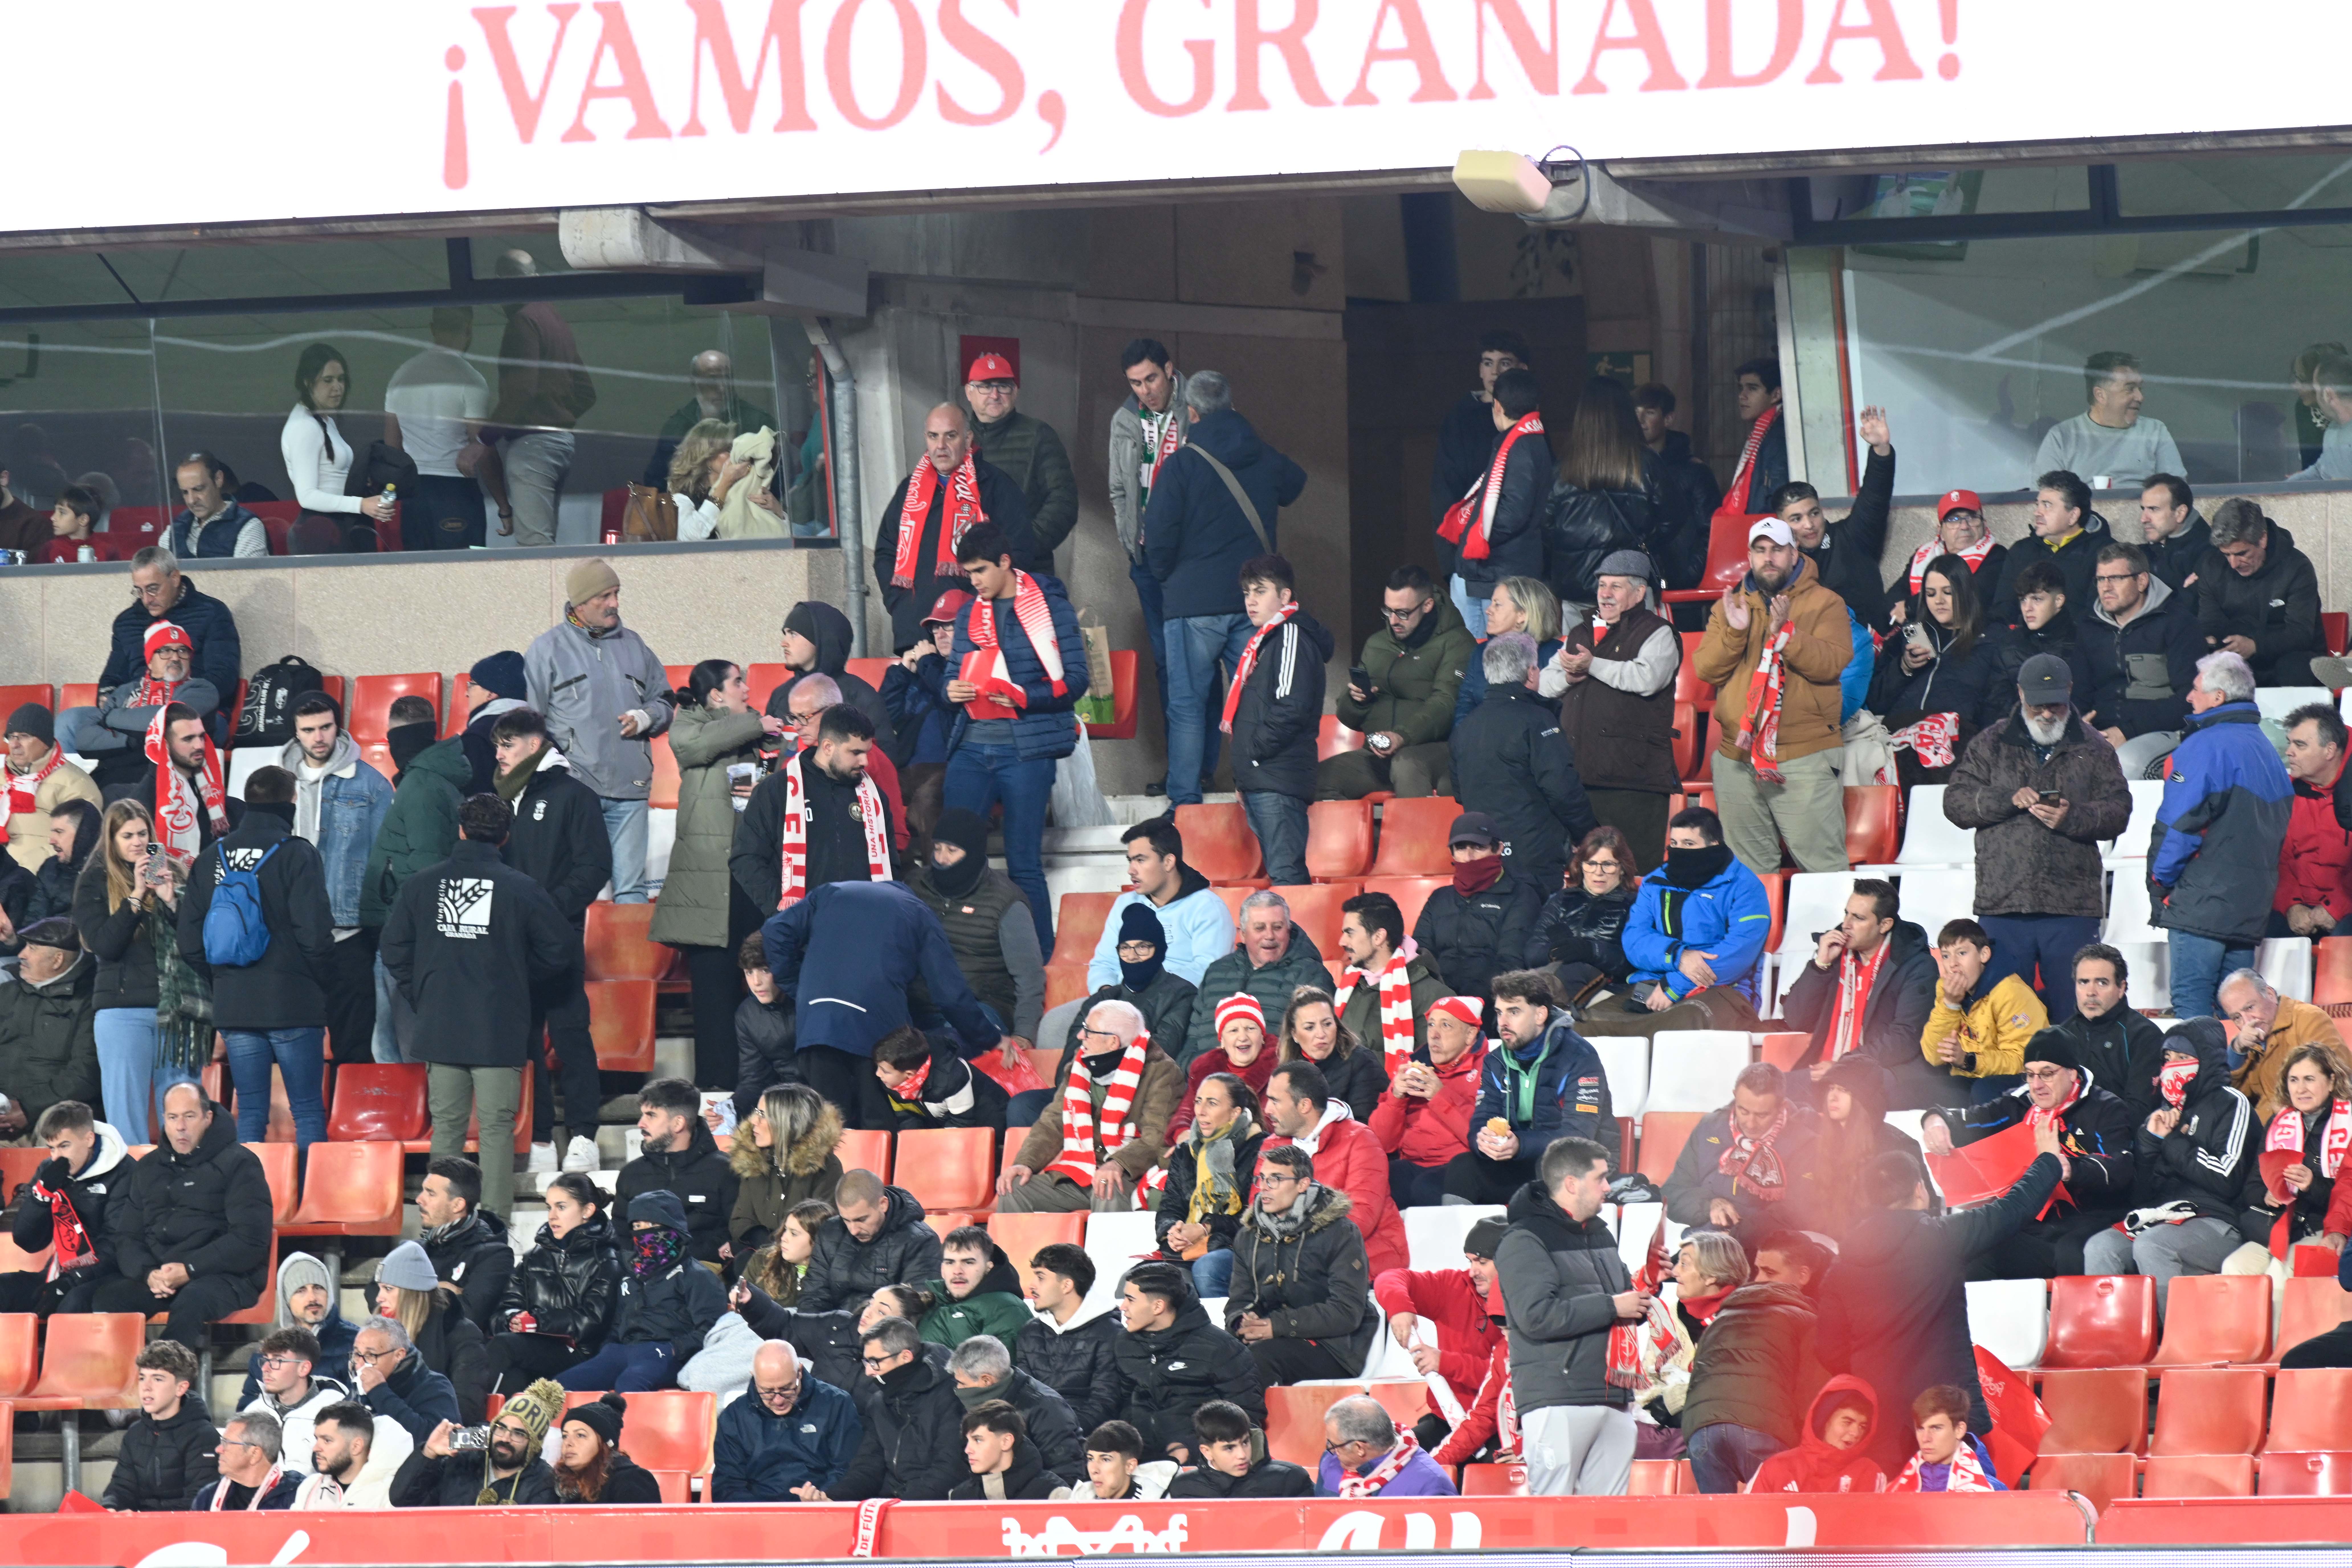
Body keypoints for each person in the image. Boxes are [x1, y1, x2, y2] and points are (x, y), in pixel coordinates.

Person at [1811, 1140, 2063, 1475]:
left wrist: (1871, 1370)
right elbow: (2012, 1210)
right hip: (1946, 1413)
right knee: (1961, 1514)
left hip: (1880, 1419)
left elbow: (1828, 1348)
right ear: (1920, 1190)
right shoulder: (1940, 1236)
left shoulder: (1841, 1265)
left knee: (1893, 1517)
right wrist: (2049, 1160)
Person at [381, 792, 577, 1218]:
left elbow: (394, 950)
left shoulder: (422, 884)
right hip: (499, 1027)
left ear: (461, 830)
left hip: (441, 1025)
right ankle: (493, 1230)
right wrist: (520, 984)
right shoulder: (522, 889)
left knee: (447, 1133)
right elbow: (560, 949)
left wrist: (424, 994)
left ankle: (438, 1231)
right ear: (506, 836)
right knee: (496, 1134)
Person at [1145, 370, 1308, 805]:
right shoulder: (1262, 455)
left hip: (1192, 603)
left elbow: (1157, 536)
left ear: (1192, 413)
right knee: (1254, 705)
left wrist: (1168, 579)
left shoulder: (1181, 465)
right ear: (1232, 406)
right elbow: (1296, 483)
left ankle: (1185, 804)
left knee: (1187, 708)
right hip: (1252, 602)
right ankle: (1257, 792)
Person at [1943, 654, 2131, 1023]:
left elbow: (2119, 811)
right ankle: (2010, 1082)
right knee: (2003, 1016)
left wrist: (2072, 817)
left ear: (2071, 692)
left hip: (2071, 907)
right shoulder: (1990, 744)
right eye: (2038, 705)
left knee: (2074, 1016)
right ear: (2020, 694)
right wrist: (2006, 799)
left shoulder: (2095, 748)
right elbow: (1956, 803)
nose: (2047, 714)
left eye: (2055, 705)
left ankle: (2079, 1080)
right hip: (2004, 903)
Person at [764, 880, 1000, 1128]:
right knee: (880, 1126)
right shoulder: (917, 911)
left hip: (819, 1024)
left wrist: (798, 988)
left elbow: (773, 931)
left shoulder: (829, 892)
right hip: (877, 1032)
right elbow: (949, 994)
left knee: (829, 1130)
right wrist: (988, 1038)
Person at [650, 662, 783, 1087]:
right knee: (712, 1006)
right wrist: (753, 724)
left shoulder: (749, 740)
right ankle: (716, 1098)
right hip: (705, 892)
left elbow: (749, 808)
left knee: (762, 997)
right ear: (716, 696)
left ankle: (759, 1090)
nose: (747, 688)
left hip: (743, 885)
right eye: (737, 682)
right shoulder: (688, 725)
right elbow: (695, 748)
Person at [1695, 518, 1851, 878]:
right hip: (1737, 755)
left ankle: (1838, 936)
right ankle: (1764, 936)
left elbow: (1832, 663)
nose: (1769, 558)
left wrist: (1787, 637)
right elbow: (1706, 671)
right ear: (1749, 556)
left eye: (1778, 550)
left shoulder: (1826, 602)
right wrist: (1735, 634)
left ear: (1794, 553)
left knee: (1823, 868)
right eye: (1761, 550)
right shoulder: (1730, 606)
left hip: (1802, 754)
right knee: (1750, 874)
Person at [490, 707, 611, 1160]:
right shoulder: (498, 798)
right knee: (524, 1042)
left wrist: (548, 912)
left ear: (535, 745)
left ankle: (583, 1136)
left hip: (557, 937)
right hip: (509, 943)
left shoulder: (574, 795)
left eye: (509, 744)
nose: (500, 754)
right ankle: (540, 1136)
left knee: (569, 1033)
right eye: (498, 745)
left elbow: (594, 866)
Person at [1491, 1136, 1642, 1495]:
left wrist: (1652, 1283)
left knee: (1608, 1528)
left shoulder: (1601, 1233)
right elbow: (1537, 1315)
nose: (1609, 1187)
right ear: (1572, 1183)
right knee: (1553, 1520)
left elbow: (1623, 1301)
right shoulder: (1524, 1238)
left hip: (1613, 1396)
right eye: (1601, 1178)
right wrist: (1613, 1306)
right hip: (1558, 1398)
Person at [1920, 1031, 2136, 1279]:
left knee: (2070, 1252)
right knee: (1974, 1254)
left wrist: (2069, 1169)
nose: (2036, 1085)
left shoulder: (2106, 1108)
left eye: (2047, 1074)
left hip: (2092, 1216)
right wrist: (1935, 1121)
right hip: (2033, 1220)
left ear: (2072, 1073)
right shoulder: (2019, 1103)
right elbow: (1968, 1120)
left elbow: (2121, 1169)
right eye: (2031, 1074)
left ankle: (2066, 1316)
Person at [524, 558, 673, 905]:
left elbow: (665, 700)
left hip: (631, 788)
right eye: (604, 596)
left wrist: (648, 717)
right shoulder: (547, 650)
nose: (615, 603)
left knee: (632, 892)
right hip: (576, 791)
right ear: (580, 604)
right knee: (576, 890)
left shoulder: (636, 645)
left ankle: (629, 961)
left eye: (617, 593)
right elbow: (533, 723)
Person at [2081, 1019, 2255, 1314]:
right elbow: (2138, 1196)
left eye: (2183, 1058)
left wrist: (2172, 1142)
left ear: (2206, 1059)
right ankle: (2111, 1342)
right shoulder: (2158, 1112)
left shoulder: (2232, 1103)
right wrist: (2149, 1145)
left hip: (2217, 1220)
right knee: (2100, 1247)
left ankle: (2174, 1341)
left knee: (2154, 1245)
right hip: (2158, 1216)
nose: (2172, 1066)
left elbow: (2227, 1178)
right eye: (2167, 1058)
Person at [2153, 652, 2292, 1018]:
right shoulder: (2269, 751)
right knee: (2241, 1016)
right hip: (2249, 907)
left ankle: (2200, 1079)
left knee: (2192, 1010)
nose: (2189, 696)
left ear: (2218, 697)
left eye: (2196, 688)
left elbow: (2179, 825)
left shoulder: (2204, 747)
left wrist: (2159, 880)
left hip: (2204, 904)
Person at [93, 1083, 268, 1346]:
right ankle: (127, 1377)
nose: (180, 1127)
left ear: (208, 1118)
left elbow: (250, 1239)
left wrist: (190, 1269)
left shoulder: (240, 1163)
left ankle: (167, 1376)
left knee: (192, 1302)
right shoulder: (148, 1168)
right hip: (161, 1276)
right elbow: (128, 1236)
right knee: (107, 1298)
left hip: (222, 1276)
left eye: (189, 1116)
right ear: (164, 1120)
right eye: (173, 1118)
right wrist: (147, 1273)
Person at [273, 694, 392, 1066]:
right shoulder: (275, 783)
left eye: (325, 727)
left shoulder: (372, 785)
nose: (318, 737)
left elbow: (383, 863)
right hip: (291, 932)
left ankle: (349, 1119)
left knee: (353, 1044)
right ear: (296, 734)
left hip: (349, 931)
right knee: (291, 1045)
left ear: (338, 727)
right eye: (308, 730)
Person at [1581, 806, 1770, 1037]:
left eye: (1689, 844)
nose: (1679, 851)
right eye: (1674, 843)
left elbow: (1739, 953)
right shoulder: (1655, 882)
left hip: (1725, 990)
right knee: (1589, 1023)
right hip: (1651, 984)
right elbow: (1634, 940)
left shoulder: (1746, 887)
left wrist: (1675, 985)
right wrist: (1679, 957)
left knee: (1680, 1025)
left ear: (1714, 846)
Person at [1549, 553, 1680, 865]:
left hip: (1633, 782)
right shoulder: (1581, 632)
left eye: (1616, 586)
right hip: (1579, 776)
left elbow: (1647, 678)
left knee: (1632, 873)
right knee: (1585, 876)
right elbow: (1544, 683)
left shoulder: (1658, 632)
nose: (1605, 593)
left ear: (1639, 593)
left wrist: (1592, 665)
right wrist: (1569, 676)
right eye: (1602, 585)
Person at [876, 400, 1035, 654]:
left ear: (968, 438)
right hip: (915, 635)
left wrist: (979, 604)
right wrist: (899, 602)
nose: (941, 446)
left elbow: (1019, 553)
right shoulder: (909, 491)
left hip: (973, 635)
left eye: (951, 436)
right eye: (933, 436)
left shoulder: (995, 486)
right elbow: (886, 552)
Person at [1000, 998, 1181, 1215]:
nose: (1080, 1037)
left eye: (1088, 1031)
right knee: (1013, 1189)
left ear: (1113, 1042)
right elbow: (1053, 1123)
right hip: (1080, 1173)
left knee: (1107, 1189)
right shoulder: (1079, 1067)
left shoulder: (1162, 1072)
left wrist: (1118, 1164)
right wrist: (1026, 1164)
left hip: (1130, 1175)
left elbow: (1157, 1137)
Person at [1452, 639, 1599, 900]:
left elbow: (1460, 792)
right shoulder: (1538, 719)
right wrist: (1588, 836)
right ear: (1532, 672)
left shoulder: (1465, 728)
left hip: (1485, 856)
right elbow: (1563, 789)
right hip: (1536, 856)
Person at [1319, 565, 1475, 803]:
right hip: (1377, 754)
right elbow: (1349, 719)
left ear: (1428, 606)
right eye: (1388, 611)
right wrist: (1356, 701)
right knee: (1315, 779)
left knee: (1407, 766)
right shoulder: (1377, 644)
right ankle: (1374, 840)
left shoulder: (1457, 642)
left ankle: (1418, 841)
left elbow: (1446, 703)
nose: (1393, 621)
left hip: (1434, 750)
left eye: (1403, 613)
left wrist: (1402, 737)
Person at [1109, 339, 1191, 779]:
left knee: (1195, 663)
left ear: (1170, 370)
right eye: (1136, 383)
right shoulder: (1125, 419)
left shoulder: (1193, 409)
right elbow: (1118, 489)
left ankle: (1200, 767)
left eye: (1152, 379)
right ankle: (1181, 768)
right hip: (1147, 561)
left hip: (1189, 561)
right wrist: (1130, 544)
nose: (1146, 391)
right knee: (1165, 665)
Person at [1223, 1143, 1373, 1384]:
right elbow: (1239, 1300)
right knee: (1212, 1354)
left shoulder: (1340, 1232)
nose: (1264, 1188)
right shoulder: (1249, 1235)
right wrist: (1243, 1322)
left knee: (1258, 1359)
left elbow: (1347, 1312)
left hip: (1333, 1347)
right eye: (1261, 1179)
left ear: (1303, 1184)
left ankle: (1247, 1423)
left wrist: (1277, 1326)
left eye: (1275, 1180)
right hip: (1269, 1338)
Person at [1225, 554, 1330, 884]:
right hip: (1263, 778)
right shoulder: (1267, 640)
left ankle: (1299, 937)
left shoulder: (1290, 636)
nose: (1251, 601)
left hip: (1277, 778)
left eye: (1260, 591)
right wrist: (1246, 773)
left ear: (1285, 596)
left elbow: (1290, 708)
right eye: (1246, 593)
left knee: (1287, 878)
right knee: (1281, 876)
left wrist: (1253, 755)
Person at [555, 1190, 726, 1392]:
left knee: (630, 1384)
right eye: (637, 1226)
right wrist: (609, 1347)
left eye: (652, 1225)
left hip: (668, 1355)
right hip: (620, 1352)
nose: (643, 1233)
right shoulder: (629, 1275)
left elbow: (713, 1331)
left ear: (673, 1229)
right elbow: (618, 1323)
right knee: (559, 1387)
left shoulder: (697, 1276)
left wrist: (674, 1349)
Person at [1782, 880, 1937, 1096]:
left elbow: (1904, 1038)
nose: (1846, 924)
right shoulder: (1835, 955)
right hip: (1822, 1071)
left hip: (1873, 1077)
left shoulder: (1916, 967)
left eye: (1859, 918)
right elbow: (1797, 1019)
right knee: (1759, 1094)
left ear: (1885, 925)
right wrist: (1821, 966)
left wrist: (1845, 1065)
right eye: (1847, 913)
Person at [1260, 1059, 1409, 1276]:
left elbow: (1361, 1219)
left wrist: (1301, 1248)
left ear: (1304, 1106)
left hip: (1362, 1258)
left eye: (1275, 1101)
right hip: (1293, 1260)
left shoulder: (1360, 1140)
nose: (1267, 1109)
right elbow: (1260, 1209)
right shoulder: (1272, 1145)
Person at [484, 259, 597, 545]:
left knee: (534, 548)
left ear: (503, 282)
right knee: (544, 543)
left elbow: (520, 391)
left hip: (533, 446)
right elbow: (586, 392)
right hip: (561, 443)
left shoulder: (524, 320)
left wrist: (483, 440)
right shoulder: (554, 319)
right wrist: (558, 415)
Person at [910, 810, 1043, 1054]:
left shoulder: (1005, 901)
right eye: (937, 848)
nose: (941, 858)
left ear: (971, 852)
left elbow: (1030, 975)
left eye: (952, 851)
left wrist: (1024, 1033)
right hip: (920, 1003)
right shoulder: (917, 885)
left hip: (981, 1006)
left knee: (948, 1046)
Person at [85, 547, 240, 752]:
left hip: (198, 714)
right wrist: (109, 700)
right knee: (72, 721)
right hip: (135, 711)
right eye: (139, 591)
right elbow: (112, 678)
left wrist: (178, 701)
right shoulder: (127, 622)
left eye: (153, 589)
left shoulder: (211, 613)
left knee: (166, 730)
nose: (147, 599)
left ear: (175, 578)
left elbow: (224, 676)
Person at [1114, 1261, 1267, 1463]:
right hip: (1139, 1459)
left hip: (1202, 1463)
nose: (1123, 1307)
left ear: (1158, 1306)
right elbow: (1121, 1405)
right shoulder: (1125, 1344)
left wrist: (1192, 1449)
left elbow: (1246, 1418)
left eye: (1130, 1300)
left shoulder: (1220, 1348)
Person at [1432, 331, 1534, 632]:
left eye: (1505, 363)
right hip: (1467, 557)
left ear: (1522, 370)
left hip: (1512, 562)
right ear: (1480, 369)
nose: (1495, 371)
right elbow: (1444, 493)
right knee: (1472, 650)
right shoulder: (1459, 419)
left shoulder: (1530, 426)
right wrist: (1451, 562)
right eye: (1488, 363)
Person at [1440, 366, 1553, 632]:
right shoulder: (1530, 441)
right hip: (1502, 569)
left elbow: (1513, 513)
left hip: (1498, 571)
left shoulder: (1521, 445)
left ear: (1498, 406)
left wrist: (1473, 536)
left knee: (1487, 656)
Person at [1539, 376, 1662, 618]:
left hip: (1576, 588)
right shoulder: (1646, 463)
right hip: (1630, 585)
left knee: (1579, 654)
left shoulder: (1563, 470)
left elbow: (1547, 526)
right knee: (1636, 654)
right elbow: (1672, 519)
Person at [2080, 541, 2203, 781]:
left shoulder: (2178, 624)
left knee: (2127, 764)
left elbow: (2190, 699)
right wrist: (2078, 722)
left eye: (2115, 578)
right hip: (2100, 732)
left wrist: (2126, 731)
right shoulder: (2089, 626)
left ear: (2142, 581)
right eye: (2101, 579)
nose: (2106, 588)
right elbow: (2080, 690)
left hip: (2164, 731)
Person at [489, 1171, 624, 1390]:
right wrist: (511, 1319)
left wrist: (539, 1322)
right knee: (514, 1375)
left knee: (505, 1347)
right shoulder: (535, 1256)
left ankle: (464, 1417)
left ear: (588, 1211)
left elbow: (592, 1320)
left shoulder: (606, 1260)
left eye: (561, 1207)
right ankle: (492, 1424)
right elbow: (506, 1306)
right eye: (549, 1207)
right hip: (533, 1347)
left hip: (581, 1354)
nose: (552, 1216)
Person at [1871, 555, 1997, 787]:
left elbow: (1995, 707)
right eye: (1930, 594)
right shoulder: (1914, 632)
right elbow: (1876, 701)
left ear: (1965, 591)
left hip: (1954, 741)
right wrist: (1904, 668)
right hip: (1900, 734)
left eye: (1947, 592)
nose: (1939, 601)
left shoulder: (1991, 639)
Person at [1662, 1062, 1817, 1248]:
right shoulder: (1709, 1128)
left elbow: (1799, 1213)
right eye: (1744, 1111)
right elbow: (1672, 1193)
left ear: (1781, 1106)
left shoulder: (1806, 1143)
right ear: (1735, 1097)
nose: (1751, 1124)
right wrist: (1710, 1205)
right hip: (1705, 1243)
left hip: (1765, 1249)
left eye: (1762, 1115)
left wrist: (1737, 1232)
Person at [1765, 408, 1896, 623]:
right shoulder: (1779, 563)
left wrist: (1881, 449)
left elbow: (1876, 497)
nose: (1810, 525)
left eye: (1814, 513)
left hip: (1871, 645)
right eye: (1797, 519)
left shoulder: (1852, 537)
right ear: (1781, 524)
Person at [822, 1316, 973, 1500]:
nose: (869, 1372)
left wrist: (903, 1509)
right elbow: (867, 1468)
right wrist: (833, 1499)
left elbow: (950, 1469)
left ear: (905, 1357)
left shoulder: (950, 1395)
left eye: (875, 1362)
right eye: (866, 1362)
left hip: (933, 1507)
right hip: (892, 1505)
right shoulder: (879, 1403)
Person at [1373, 1216, 1504, 1427]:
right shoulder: (1453, 1286)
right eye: (1470, 1261)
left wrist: (1445, 1362)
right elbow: (1390, 1278)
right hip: (1446, 1420)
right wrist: (1399, 1309)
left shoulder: (1528, 1303)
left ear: (1508, 1261)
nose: (1473, 1272)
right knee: (1393, 1457)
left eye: (1482, 1262)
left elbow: (1509, 1378)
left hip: (1502, 1424)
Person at [0, 1100, 128, 1315]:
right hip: (60, 1271)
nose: (57, 1157)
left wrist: (74, 1280)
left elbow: (118, 1244)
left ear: (89, 1139)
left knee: (72, 1302)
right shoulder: (49, 1170)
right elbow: (26, 1241)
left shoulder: (123, 1171)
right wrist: (42, 1195)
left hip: (106, 1276)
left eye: (64, 1146)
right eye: (52, 1148)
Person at [383, 306, 493, 550]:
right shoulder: (471, 379)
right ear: (469, 329)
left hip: (414, 494)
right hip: (456, 490)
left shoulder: (401, 376)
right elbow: (482, 448)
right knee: (465, 573)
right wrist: (504, 505)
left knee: (418, 572)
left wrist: (393, 494)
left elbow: (392, 447)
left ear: (432, 329)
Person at [1084, 817, 1235, 993]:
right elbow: (1104, 963)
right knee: (1057, 1020)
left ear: (1169, 862)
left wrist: (1148, 995)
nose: (1131, 870)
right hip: (1122, 1000)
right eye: (1130, 861)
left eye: (1140, 860)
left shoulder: (1207, 907)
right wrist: (1106, 992)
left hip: (1179, 1006)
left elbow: (1208, 971)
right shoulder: (1124, 904)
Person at [62, 619, 221, 777]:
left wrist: (110, 717)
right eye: (165, 651)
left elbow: (165, 717)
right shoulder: (125, 693)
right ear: (150, 661)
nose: (175, 658)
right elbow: (85, 741)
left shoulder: (202, 690)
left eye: (182, 651)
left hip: (172, 777)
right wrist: (134, 741)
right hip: (113, 774)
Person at [1156, 1070, 1265, 1299]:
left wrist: (1206, 1227)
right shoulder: (1186, 1151)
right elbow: (1170, 1207)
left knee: (1195, 1279)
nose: (1201, 1111)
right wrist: (1173, 1231)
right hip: (1185, 1249)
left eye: (1212, 1103)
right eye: (1198, 1101)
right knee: (1136, 1282)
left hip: (1234, 1247)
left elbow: (1256, 1217)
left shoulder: (1261, 1149)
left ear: (1235, 1113)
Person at [962, 351, 1077, 566]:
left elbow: (1064, 502)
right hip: (968, 571)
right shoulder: (958, 439)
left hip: (1026, 571)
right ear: (969, 392)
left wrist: (1021, 547)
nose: (995, 395)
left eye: (1003, 386)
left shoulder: (1039, 435)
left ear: (1015, 392)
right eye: (985, 386)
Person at [711, 1339, 862, 1501]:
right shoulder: (734, 1416)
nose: (778, 1400)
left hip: (821, 1508)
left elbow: (846, 1469)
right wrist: (761, 1515)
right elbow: (728, 1484)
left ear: (800, 1372)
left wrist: (825, 1497)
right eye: (767, 1391)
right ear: (754, 1378)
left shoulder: (836, 1403)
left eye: (787, 1389)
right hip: (757, 1515)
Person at [1372, 996, 1486, 1208]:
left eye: (1446, 1026)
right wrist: (1396, 1096)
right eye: (1431, 1024)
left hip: (1461, 1171)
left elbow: (1482, 1139)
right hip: (1412, 1165)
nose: (1434, 1034)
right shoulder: (1414, 1067)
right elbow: (1382, 1143)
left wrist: (1439, 1096)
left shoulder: (1489, 1068)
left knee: (1424, 1188)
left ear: (1470, 1035)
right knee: (1374, 1177)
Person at [2245, 1044, 2352, 1269]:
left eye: (2309, 1079)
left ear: (2332, 1081)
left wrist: (2312, 1185)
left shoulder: (2348, 1122)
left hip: (2325, 1227)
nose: (2301, 1089)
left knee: (2280, 1273)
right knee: (2236, 1268)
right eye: (2294, 1080)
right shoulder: (2278, 1123)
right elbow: (2251, 1187)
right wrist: (2267, 1194)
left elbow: (2347, 1192)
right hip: (2278, 1227)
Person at [1916, 918, 2045, 1102]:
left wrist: (1969, 1060)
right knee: (1911, 1086)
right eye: (1946, 956)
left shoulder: (2011, 993)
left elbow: (2025, 1062)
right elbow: (1934, 1056)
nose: (1953, 964)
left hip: (2015, 1081)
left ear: (1984, 955)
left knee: (1983, 1091)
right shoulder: (1946, 989)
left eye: (1962, 953)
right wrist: (1950, 1005)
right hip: (1967, 1076)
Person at [2199, 497, 2324, 687]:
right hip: (2237, 658)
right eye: (2227, 555)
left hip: (2292, 657)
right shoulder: (2211, 567)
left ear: (2263, 539)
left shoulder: (2297, 568)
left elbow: (2300, 633)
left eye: (2242, 554)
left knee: (2295, 668)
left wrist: (2255, 646)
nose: (2234, 564)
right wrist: (2212, 642)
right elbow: (2210, 622)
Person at [615, 1078, 739, 1267]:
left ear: (678, 1123)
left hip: (705, 1275)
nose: (641, 1124)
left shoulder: (724, 1170)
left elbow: (735, 1234)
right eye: (643, 1115)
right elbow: (621, 1234)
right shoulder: (631, 1174)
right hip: (644, 1277)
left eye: (651, 1116)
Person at [280, 345, 394, 551]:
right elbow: (307, 496)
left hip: (339, 524)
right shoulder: (305, 426)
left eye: (341, 379)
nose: (337, 387)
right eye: (328, 380)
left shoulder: (323, 420)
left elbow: (332, 477)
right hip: (321, 530)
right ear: (308, 383)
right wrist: (361, 504)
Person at [391, 1378, 562, 1507]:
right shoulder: (464, 1460)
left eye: (518, 1434)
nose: (505, 1439)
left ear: (534, 1444)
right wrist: (428, 1454)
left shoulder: (544, 1483)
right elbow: (402, 1501)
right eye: (501, 1428)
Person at [1326, 891, 1444, 1077]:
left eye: (1350, 933)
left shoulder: (1434, 996)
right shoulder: (1348, 986)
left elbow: (1431, 1068)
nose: (1342, 942)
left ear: (1379, 937)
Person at [797, 1166, 945, 1312]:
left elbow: (913, 1310)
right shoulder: (831, 1231)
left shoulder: (921, 1241)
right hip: (833, 1328)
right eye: (846, 1220)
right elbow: (813, 1296)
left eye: (862, 1219)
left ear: (883, 1204)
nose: (854, 1230)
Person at [2032, 350, 2186, 491]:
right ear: (2101, 395)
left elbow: (2177, 494)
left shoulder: (2155, 431)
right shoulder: (2062, 437)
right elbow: (2045, 500)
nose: (2140, 397)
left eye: (2140, 389)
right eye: (2130, 389)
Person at [0, 920, 99, 1137]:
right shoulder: (6, 995)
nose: (21, 955)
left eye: (32, 949)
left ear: (58, 960)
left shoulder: (88, 1004)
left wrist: (27, 1108)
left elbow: (84, 1075)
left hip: (51, 1120)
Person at [374, 1242, 491, 1424]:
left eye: (388, 1289)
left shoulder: (462, 1335)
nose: (379, 1298)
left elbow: (465, 1411)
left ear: (411, 1294)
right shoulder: (378, 1333)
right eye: (380, 1288)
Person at [883, 590, 965, 842]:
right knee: (870, 790)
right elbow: (885, 715)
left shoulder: (970, 666)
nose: (940, 635)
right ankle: (898, 872)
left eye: (949, 626)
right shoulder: (922, 671)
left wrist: (928, 662)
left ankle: (937, 876)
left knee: (928, 800)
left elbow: (949, 698)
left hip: (950, 767)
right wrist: (902, 674)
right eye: (936, 628)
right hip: (908, 768)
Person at [2220, 968, 2352, 1123]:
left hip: (2313, 1123)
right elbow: (2230, 1096)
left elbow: (2338, 1078)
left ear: (2270, 994)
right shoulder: (2246, 1042)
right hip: (2264, 1127)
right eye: (2237, 1017)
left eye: (2250, 1008)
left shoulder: (2309, 1019)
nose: (2248, 1021)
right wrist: (2237, 1050)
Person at [2053, 944, 2167, 1123]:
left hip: (2120, 1140)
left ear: (2121, 988)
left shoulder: (2145, 1036)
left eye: (2102, 983)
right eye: (2084, 982)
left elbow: (2141, 1111)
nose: (2091, 993)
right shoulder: (2060, 1036)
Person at [1018, 1244, 1124, 1435]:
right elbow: (1023, 1396)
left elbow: (1104, 1402)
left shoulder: (1110, 1332)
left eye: (1041, 1278)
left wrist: (1063, 1433)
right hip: (1036, 1434)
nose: (1032, 1286)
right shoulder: (1030, 1332)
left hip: (1088, 1437)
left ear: (1067, 1285)